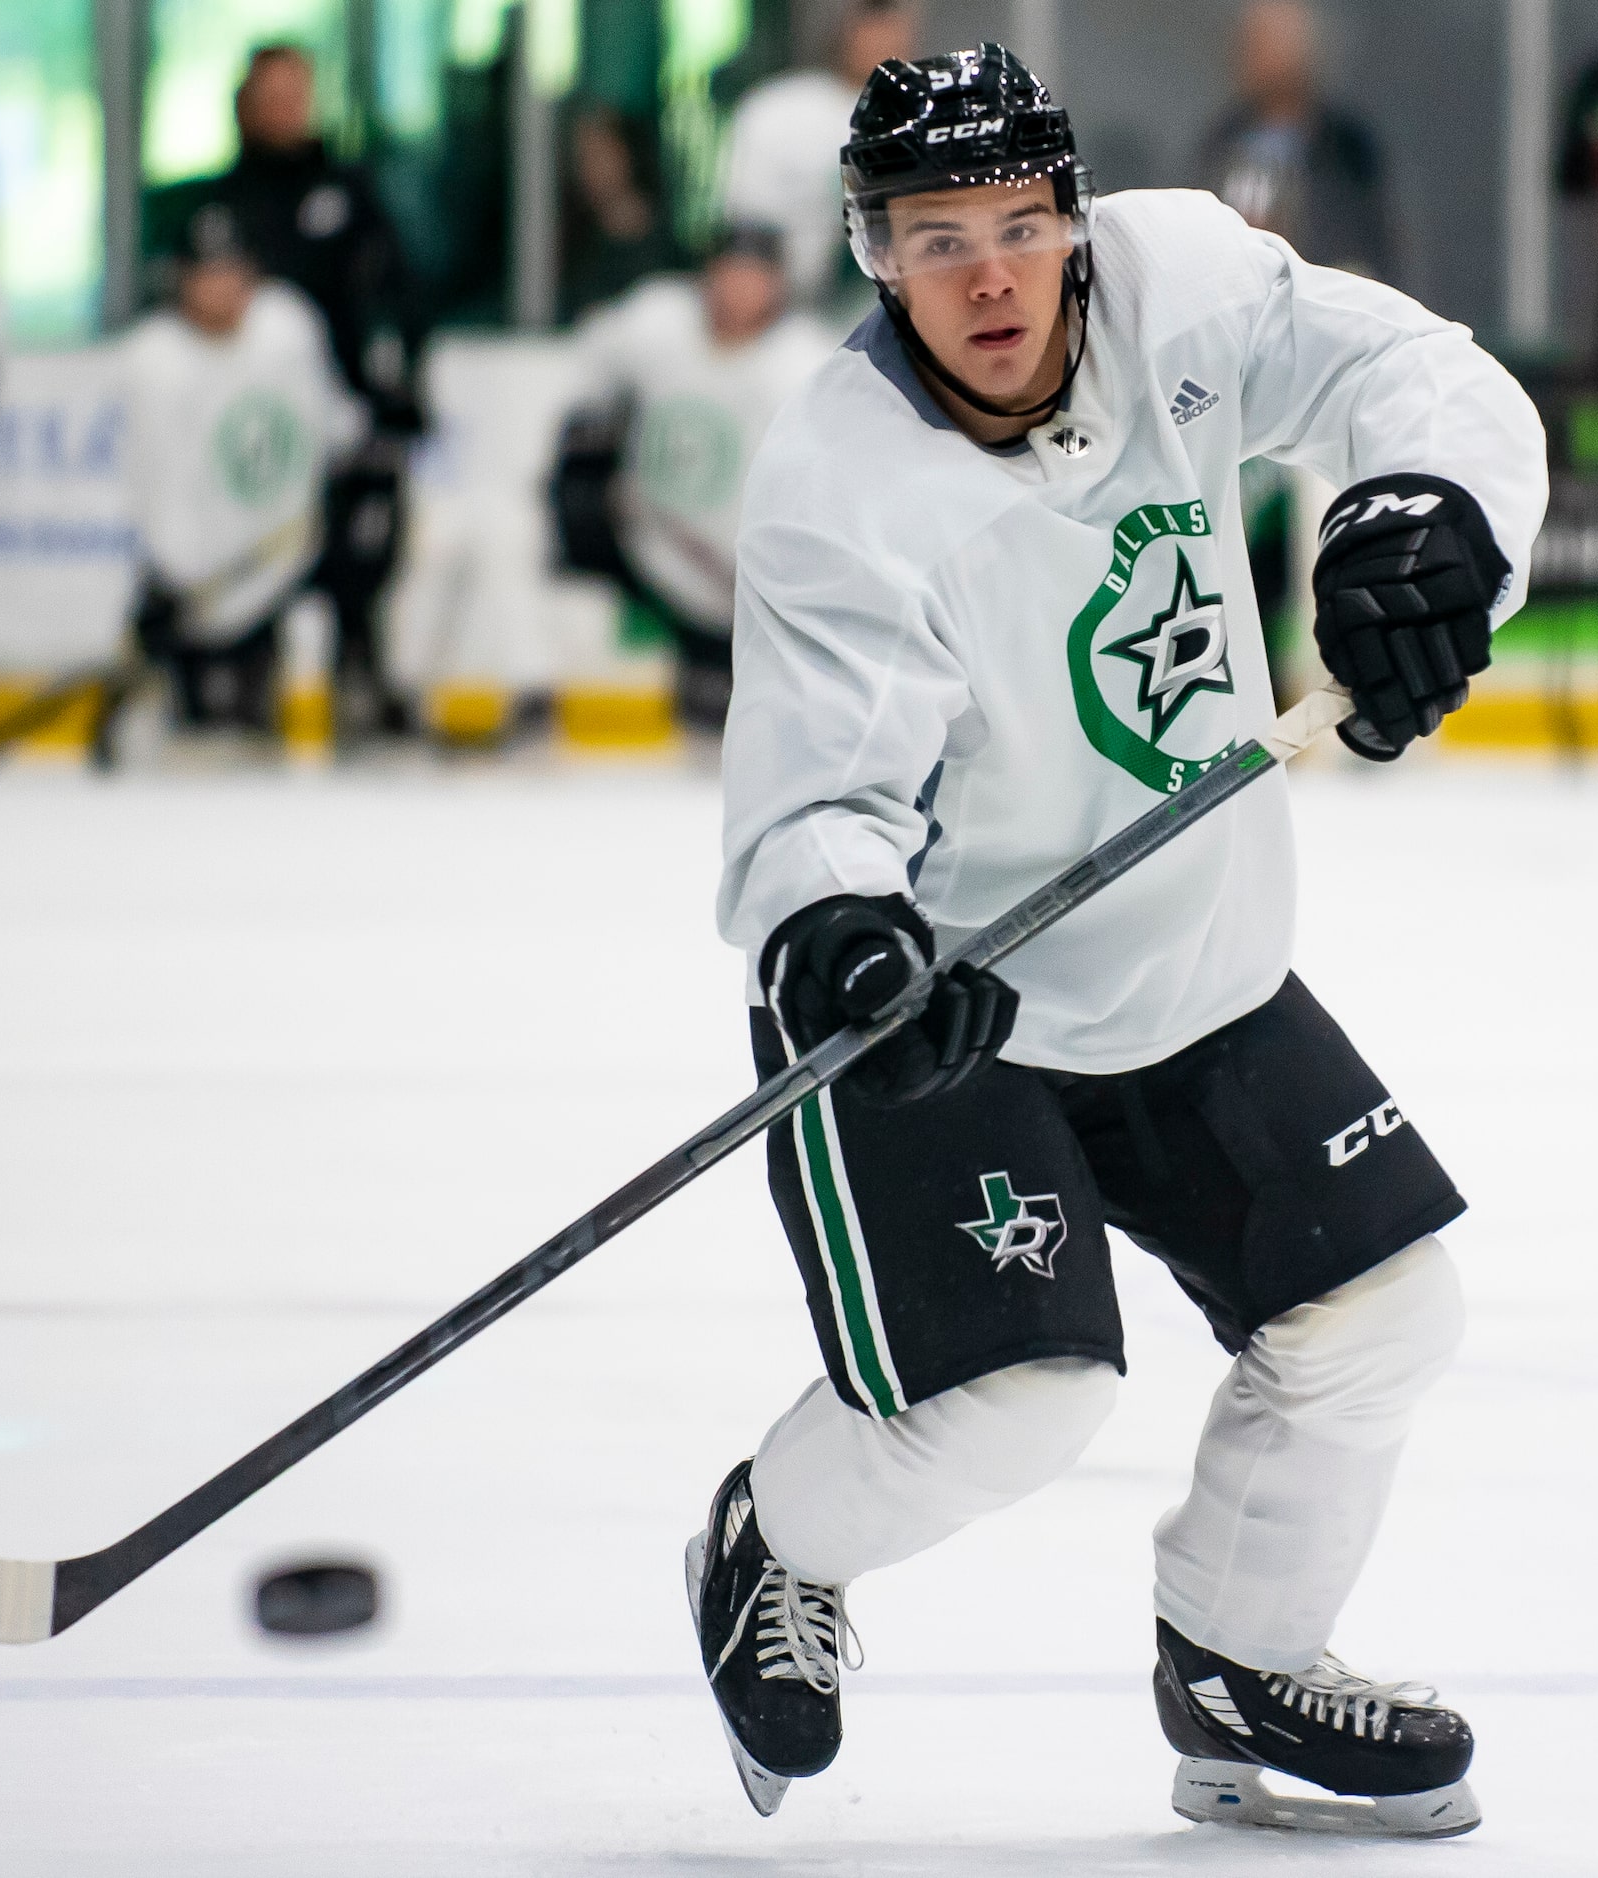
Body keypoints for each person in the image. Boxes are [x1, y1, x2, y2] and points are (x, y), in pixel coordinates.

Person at [687, 43, 1547, 1837]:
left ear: (1072, 216)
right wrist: (846, 934)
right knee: (1012, 1399)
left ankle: (1237, 1657)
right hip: (943, 999)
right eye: (935, 240)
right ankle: (774, 1527)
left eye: (1016, 223)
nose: (988, 276)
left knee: (1381, 1312)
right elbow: (810, 806)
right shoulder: (841, 485)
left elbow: (1419, 373)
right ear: (872, 256)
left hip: (1189, 966)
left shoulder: (1191, 280)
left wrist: (1430, 516)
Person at [186, 44, 427, 742]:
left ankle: (359, 671)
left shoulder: (349, 190)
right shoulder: (223, 203)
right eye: (274, 94)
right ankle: (242, 666)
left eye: (300, 92)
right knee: (254, 544)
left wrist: (395, 387)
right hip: (260, 424)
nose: (289, 107)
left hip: (347, 419)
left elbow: (399, 296)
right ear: (245, 103)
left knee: (362, 548)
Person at [98, 204, 363, 756]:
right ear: (180, 280)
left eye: (232, 271)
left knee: (249, 750)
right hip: (187, 590)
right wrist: (179, 580)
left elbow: (330, 426)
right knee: (188, 752)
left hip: (278, 570)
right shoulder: (151, 360)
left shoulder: (287, 329)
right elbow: (152, 487)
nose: (222, 288)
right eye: (206, 273)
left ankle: (364, 692)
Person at [549, 224, 830, 737]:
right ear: (709, 274)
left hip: (745, 591)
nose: (740, 289)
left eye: (755, 275)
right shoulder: (657, 322)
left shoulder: (804, 363)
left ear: (779, 285)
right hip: (650, 556)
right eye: (731, 271)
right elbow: (585, 367)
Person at [719, 0, 914, 310]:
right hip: (781, 307)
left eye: (893, 28)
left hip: (882, 305)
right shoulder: (778, 108)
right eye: (871, 27)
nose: (884, 41)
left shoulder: (920, 121)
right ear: (844, 32)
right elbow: (747, 229)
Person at [1197, 0, 1397, 282]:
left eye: (1270, 42)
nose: (1256, 56)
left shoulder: (1348, 151)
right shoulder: (1220, 141)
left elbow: (1371, 252)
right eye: (1251, 44)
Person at [559, 105, 683, 320]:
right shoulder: (571, 242)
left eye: (597, 154)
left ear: (626, 155)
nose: (586, 169)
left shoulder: (669, 250)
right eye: (581, 158)